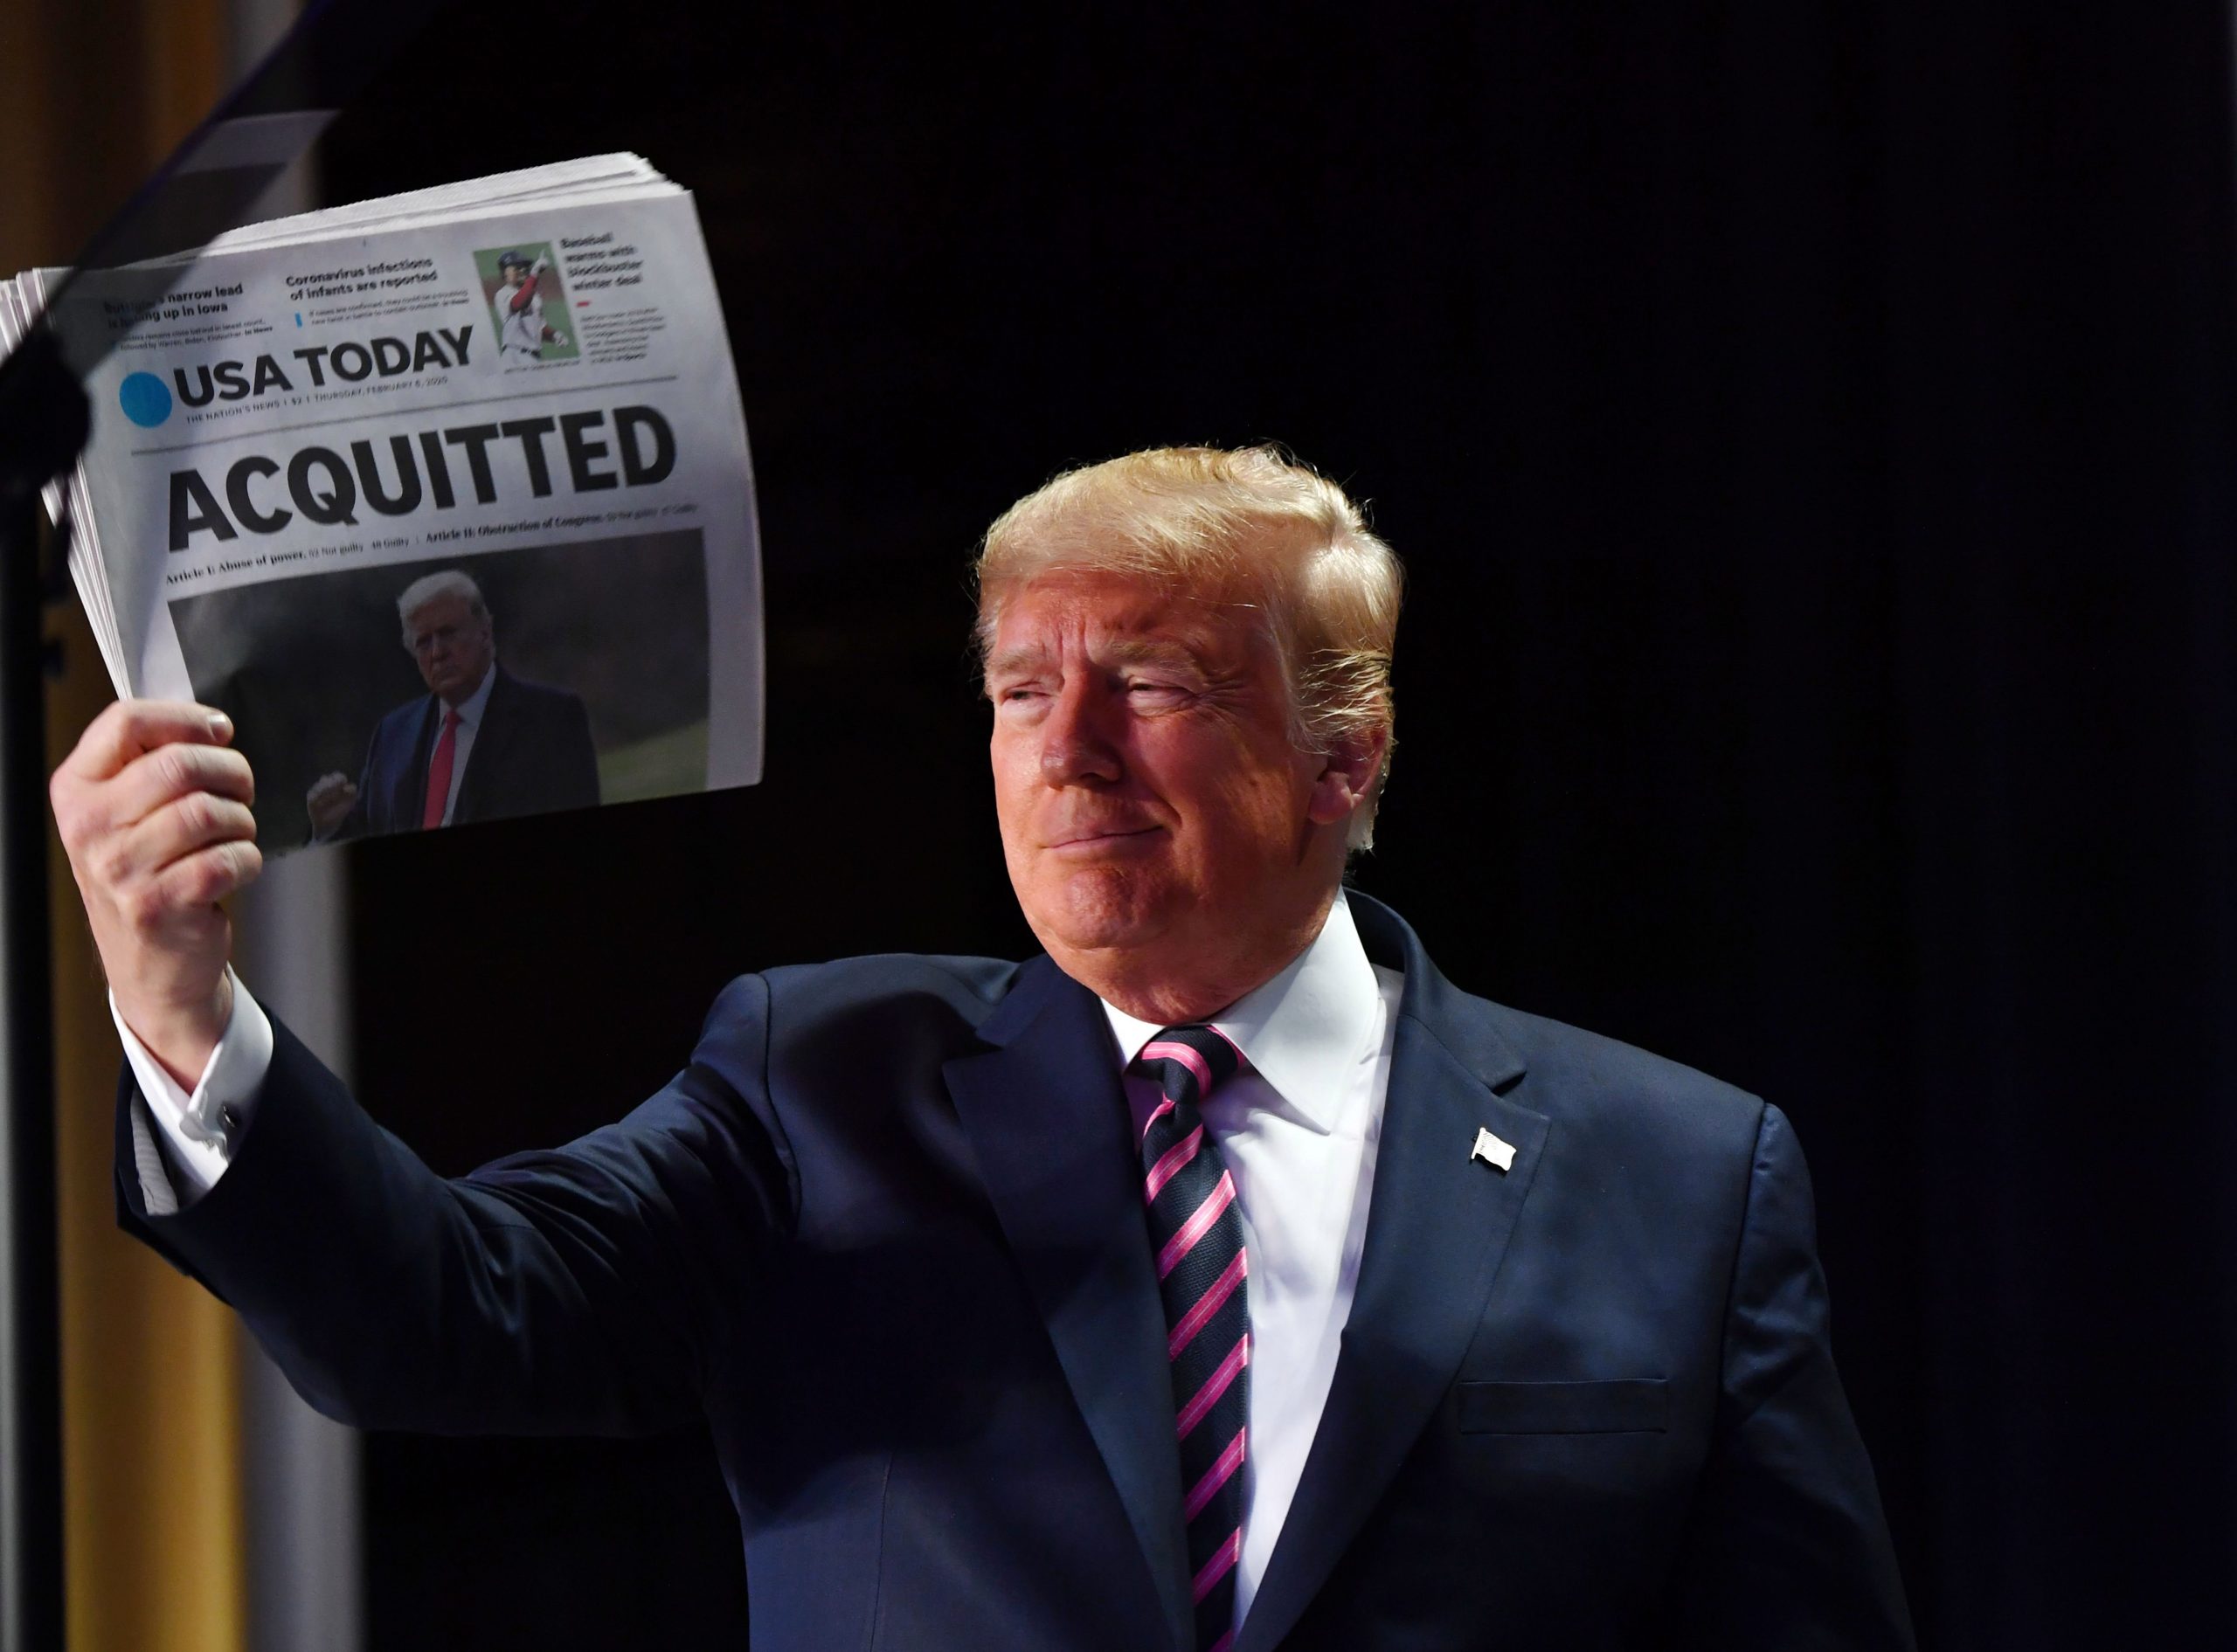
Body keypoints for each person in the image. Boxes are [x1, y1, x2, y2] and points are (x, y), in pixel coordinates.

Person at [51, 446, 1915, 1651]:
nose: (1064, 749)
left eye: (1156, 685)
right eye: (1024, 689)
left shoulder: (1678, 1174)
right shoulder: (822, 1079)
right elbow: (444, 1315)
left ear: (1345, 755)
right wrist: (180, 1004)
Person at [304, 569, 600, 840]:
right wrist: (328, 830)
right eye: (423, 642)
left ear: (485, 631)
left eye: (448, 633)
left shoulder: (552, 718)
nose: (437, 653)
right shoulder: (391, 734)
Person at [491, 249, 567, 361]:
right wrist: (535, 273)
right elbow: (518, 303)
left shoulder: (534, 296)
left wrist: (554, 335)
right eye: (517, 267)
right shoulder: (503, 294)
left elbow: (539, 327)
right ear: (504, 274)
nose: (522, 270)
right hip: (514, 355)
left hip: (533, 356)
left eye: (525, 266)